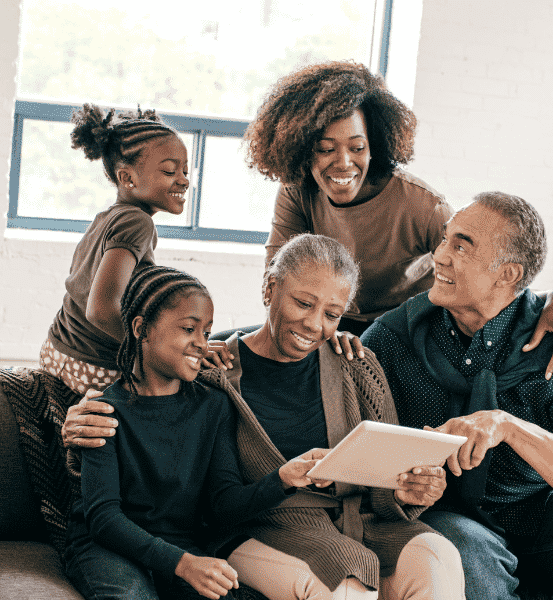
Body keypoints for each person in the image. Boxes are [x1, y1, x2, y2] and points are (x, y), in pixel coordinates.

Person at [69, 234, 466, 600]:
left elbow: (385, 472)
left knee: (437, 554)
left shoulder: (357, 365)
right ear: (270, 288)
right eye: (304, 303)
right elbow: (154, 405)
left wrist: (406, 490)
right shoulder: (213, 373)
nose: (315, 324)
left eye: (332, 313)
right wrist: (78, 422)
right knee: (343, 575)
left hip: (362, 522)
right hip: (270, 525)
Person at [361, 192, 553, 600]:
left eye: (460, 246)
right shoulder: (395, 339)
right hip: (450, 517)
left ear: (507, 275)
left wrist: (510, 427)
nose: (439, 256)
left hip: (541, 517)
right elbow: (361, 456)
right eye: (445, 239)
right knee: (462, 549)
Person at [246, 61, 553, 379]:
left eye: (357, 148)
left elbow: (484, 268)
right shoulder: (297, 192)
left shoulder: (421, 205)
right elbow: (276, 280)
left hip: (406, 329)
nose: (343, 163)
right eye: (326, 149)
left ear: (376, 145)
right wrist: (321, 328)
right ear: (302, 146)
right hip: (331, 319)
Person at [64, 264, 332, 600]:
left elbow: (223, 504)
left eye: (206, 332)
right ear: (141, 328)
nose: (201, 345)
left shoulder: (213, 406)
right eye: (189, 329)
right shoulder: (102, 412)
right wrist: (182, 564)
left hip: (183, 548)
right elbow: (104, 520)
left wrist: (282, 479)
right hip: (108, 547)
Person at [41, 103, 191, 394]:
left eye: (185, 170)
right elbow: (102, 309)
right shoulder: (138, 223)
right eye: (170, 171)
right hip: (91, 365)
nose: (184, 180)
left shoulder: (108, 217)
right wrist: (154, 353)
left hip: (58, 349)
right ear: (127, 178)